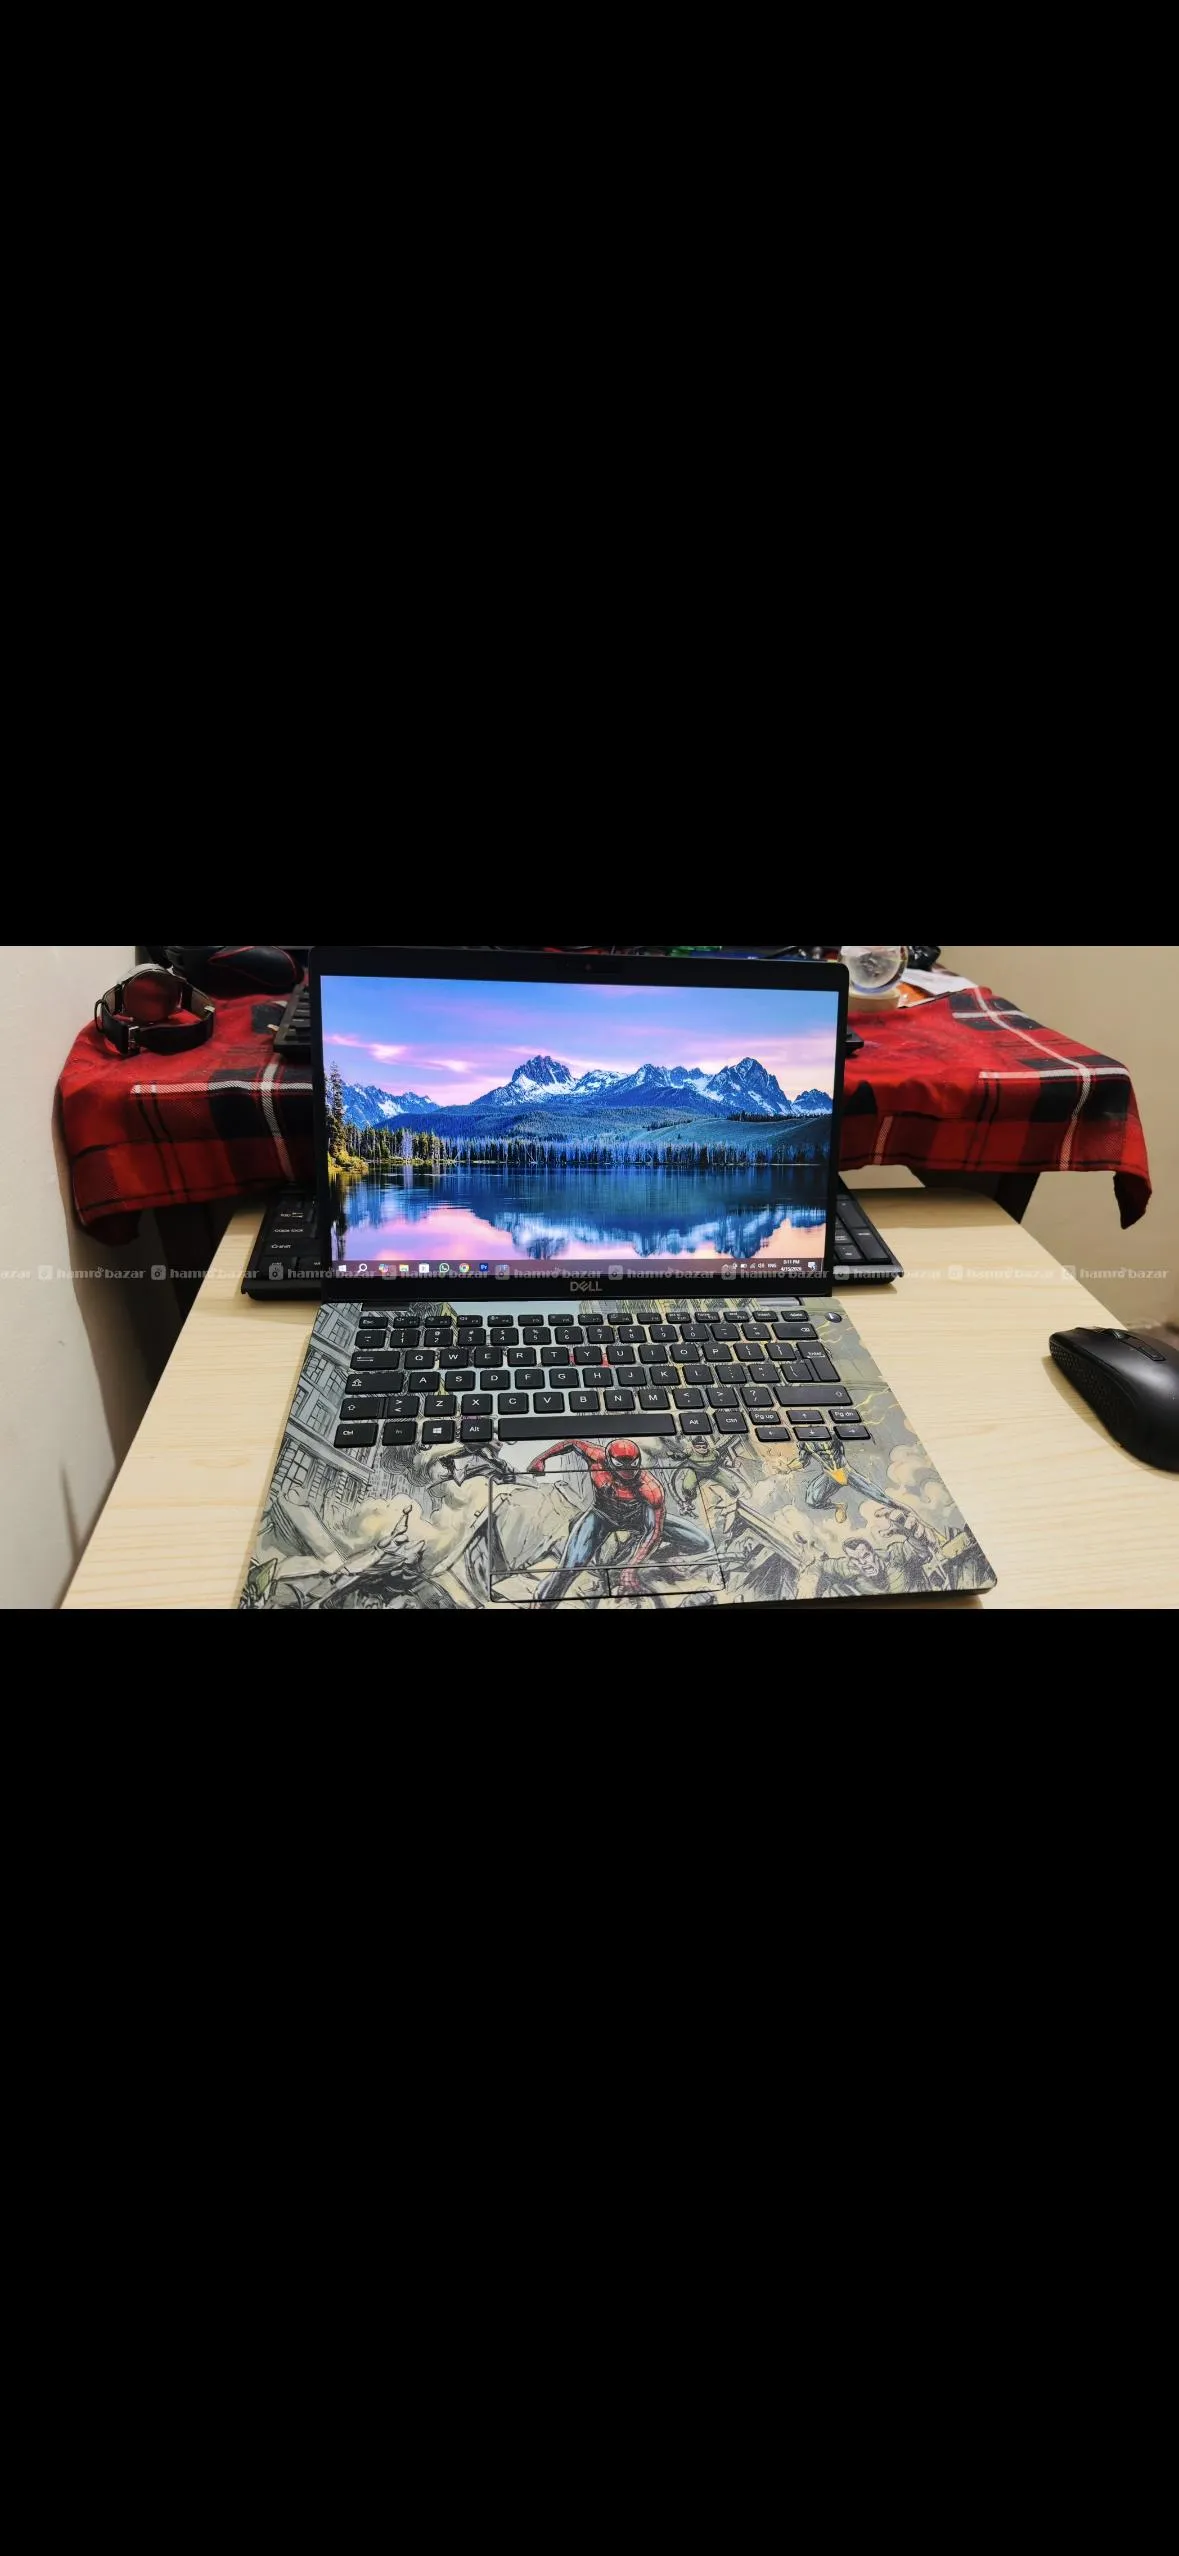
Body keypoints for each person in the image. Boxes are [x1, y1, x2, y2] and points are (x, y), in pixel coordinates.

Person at [527, 1438, 714, 1602]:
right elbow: (571, 1443)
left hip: (637, 1519)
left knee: (701, 1542)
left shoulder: (650, 1487)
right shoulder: (596, 1456)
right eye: (622, 1468)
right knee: (568, 1569)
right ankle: (541, 1604)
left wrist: (632, 1567)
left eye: (632, 1467)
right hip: (602, 1516)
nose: (628, 1473)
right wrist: (540, 1459)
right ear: (609, 1461)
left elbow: (654, 1532)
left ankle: (647, 1562)